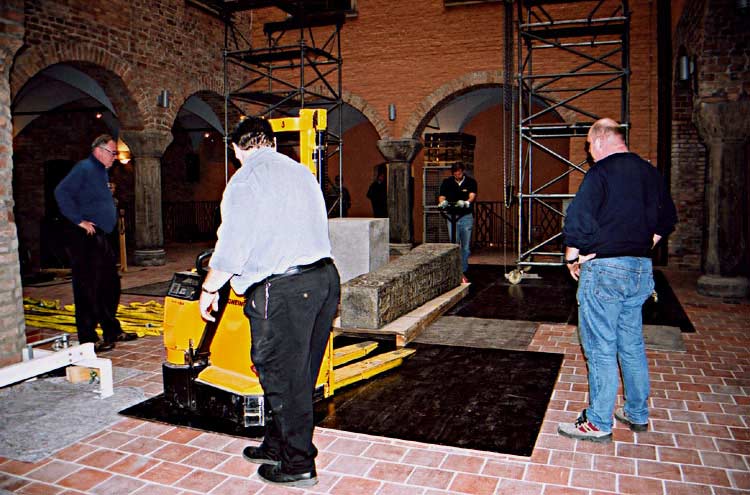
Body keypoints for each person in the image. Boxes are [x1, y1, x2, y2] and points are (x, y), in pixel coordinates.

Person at [198, 117, 340, 488]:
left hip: (285, 290)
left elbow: (232, 245)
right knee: (300, 374)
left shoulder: (244, 181)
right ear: (273, 143)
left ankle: (297, 464)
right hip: (324, 280)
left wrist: (210, 287)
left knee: (280, 375)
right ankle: (277, 443)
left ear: (236, 149)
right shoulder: (301, 173)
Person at [558, 118, 677, 443]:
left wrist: (573, 256)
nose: (589, 152)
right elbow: (667, 219)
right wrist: (639, 244)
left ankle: (597, 422)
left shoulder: (601, 172)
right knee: (632, 344)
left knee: (600, 347)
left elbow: (579, 220)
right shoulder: (651, 173)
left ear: (599, 142)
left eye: (588, 146)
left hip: (605, 271)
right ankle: (637, 413)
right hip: (640, 269)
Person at [54, 135, 137, 353]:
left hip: (101, 236)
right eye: (113, 153)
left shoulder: (100, 172)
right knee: (87, 288)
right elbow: (61, 192)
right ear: (99, 151)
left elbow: (90, 197)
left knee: (109, 284)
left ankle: (111, 329)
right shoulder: (85, 167)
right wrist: (78, 220)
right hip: (85, 237)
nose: (116, 157)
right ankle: (88, 339)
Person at [438, 162, 477, 280]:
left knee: (465, 246)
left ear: (463, 171)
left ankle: (463, 269)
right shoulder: (447, 182)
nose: (457, 174)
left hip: (465, 216)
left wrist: (467, 202)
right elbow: (442, 196)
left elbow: (472, 196)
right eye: (455, 172)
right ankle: (455, 269)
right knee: (454, 244)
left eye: (459, 172)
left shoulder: (471, 182)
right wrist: (442, 203)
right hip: (452, 216)